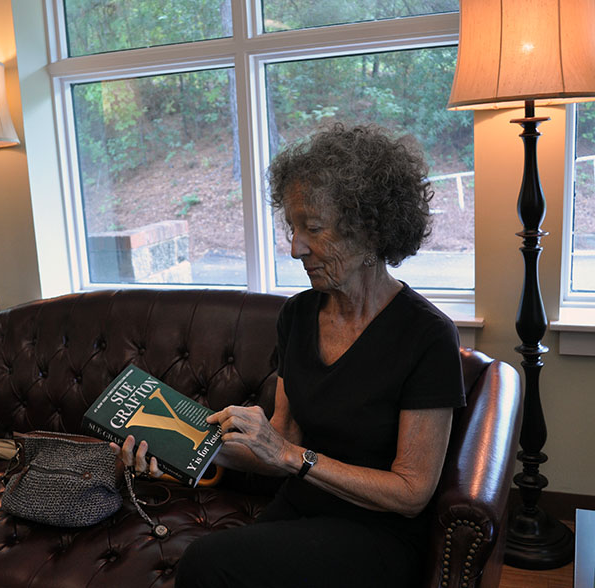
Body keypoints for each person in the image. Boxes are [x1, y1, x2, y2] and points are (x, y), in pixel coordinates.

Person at [113, 123, 466, 588]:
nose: (295, 248)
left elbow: (410, 492)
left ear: (370, 232)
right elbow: (279, 441)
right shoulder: (298, 315)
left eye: (313, 229)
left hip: (379, 531)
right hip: (301, 506)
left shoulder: (427, 335)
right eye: (293, 228)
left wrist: (291, 456)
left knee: (206, 563)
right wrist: (182, 451)